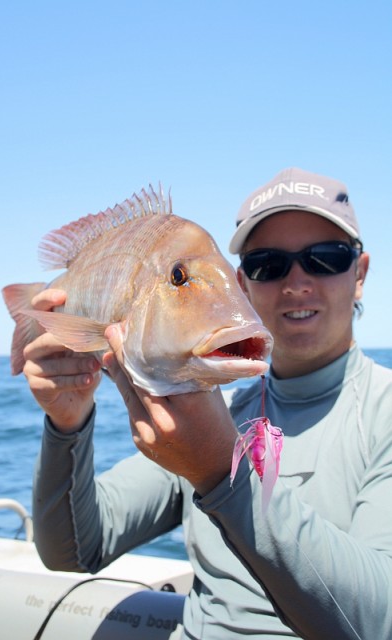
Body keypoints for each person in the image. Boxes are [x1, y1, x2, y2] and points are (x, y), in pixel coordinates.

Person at [24, 168, 392, 639]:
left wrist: (222, 471)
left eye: (326, 258)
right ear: (238, 284)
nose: (297, 282)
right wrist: (68, 424)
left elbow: (377, 622)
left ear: (359, 275)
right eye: (268, 264)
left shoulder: (378, 415)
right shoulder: (210, 416)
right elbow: (73, 551)